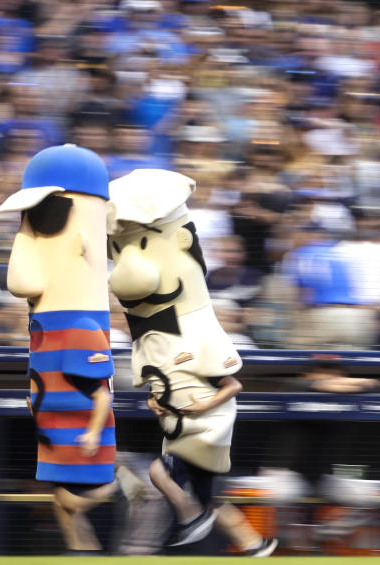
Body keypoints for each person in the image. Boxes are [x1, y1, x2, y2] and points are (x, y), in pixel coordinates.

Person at [107, 168, 276, 556]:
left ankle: (191, 520)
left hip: (204, 422)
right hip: (178, 421)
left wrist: (204, 404)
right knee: (208, 497)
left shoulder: (199, 328)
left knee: (160, 475)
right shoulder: (148, 339)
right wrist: (155, 398)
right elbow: (158, 380)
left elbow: (233, 385)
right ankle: (255, 547)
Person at [0, 144, 143, 553]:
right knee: (61, 501)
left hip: (81, 433)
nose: (27, 230)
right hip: (58, 427)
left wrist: (94, 433)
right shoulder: (49, 324)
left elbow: (100, 393)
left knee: (68, 498)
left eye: (36, 218)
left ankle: (122, 482)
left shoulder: (80, 329)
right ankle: (84, 552)